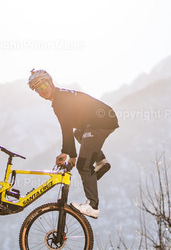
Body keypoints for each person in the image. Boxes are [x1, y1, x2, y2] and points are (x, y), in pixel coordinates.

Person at [28, 69, 119, 219]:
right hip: (98, 121)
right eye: (37, 90)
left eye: (43, 86)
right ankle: (101, 161)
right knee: (79, 134)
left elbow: (66, 127)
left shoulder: (60, 101)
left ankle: (92, 206)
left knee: (83, 165)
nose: (42, 91)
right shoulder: (60, 97)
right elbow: (69, 128)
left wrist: (67, 153)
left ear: (50, 82)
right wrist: (71, 155)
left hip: (101, 121)